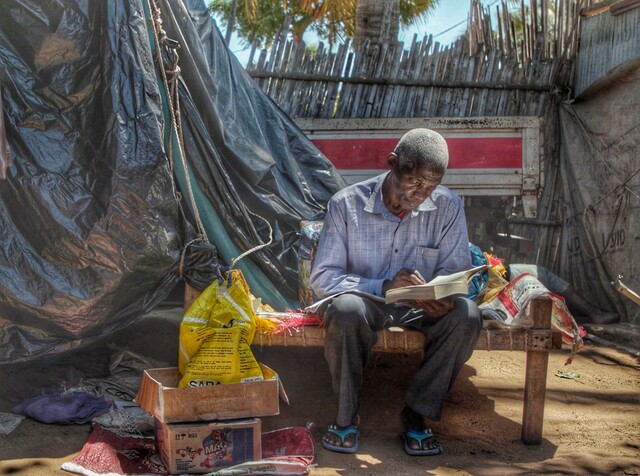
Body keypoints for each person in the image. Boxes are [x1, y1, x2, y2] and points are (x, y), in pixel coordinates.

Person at [309, 128, 481, 456]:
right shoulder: (346, 205)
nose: (422, 193)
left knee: (467, 316)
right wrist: (385, 286)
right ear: (392, 163)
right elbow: (323, 277)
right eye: (415, 182)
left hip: (420, 306)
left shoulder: (448, 206)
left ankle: (416, 415)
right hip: (368, 300)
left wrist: (440, 293)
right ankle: (346, 416)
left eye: (432, 185)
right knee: (344, 311)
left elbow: (455, 270)